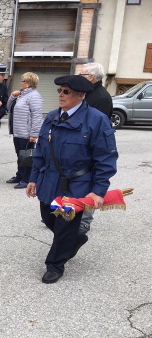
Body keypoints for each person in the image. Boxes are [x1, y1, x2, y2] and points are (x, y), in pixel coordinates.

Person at [26, 75, 118, 284]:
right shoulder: (51, 117)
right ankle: (75, 239)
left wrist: (98, 191)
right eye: (59, 91)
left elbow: (106, 159)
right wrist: (33, 178)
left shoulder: (96, 120)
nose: (60, 95)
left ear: (80, 95)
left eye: (66, 92)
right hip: (49, 181)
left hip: (76, 185)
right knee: (49, 218)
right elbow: (40, 151)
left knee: (65, 225)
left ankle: (55, 264)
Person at [78, 62, 114, 235]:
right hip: (80, 148)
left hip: (91, 150)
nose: (78, 78)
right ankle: (70, 212)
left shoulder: (100, 98)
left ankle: (85, 220)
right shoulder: (87, 94)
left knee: (89, 184)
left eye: (81, 75)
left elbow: (96, 127)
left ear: (91, 78)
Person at [6, 72, 43, 189]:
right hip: (18, 131)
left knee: (27, 157)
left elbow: (37, 116)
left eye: (22, 81)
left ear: (28, 84)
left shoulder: (34, 96)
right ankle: (20, 175)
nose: (20, 83)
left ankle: (27, 179)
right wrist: (12, 96)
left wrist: (34, 134)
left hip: (27, 133)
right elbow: (8, 108)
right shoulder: (22, 95)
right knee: (20, 155)